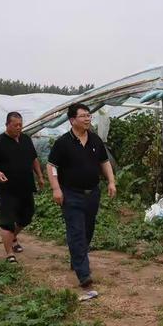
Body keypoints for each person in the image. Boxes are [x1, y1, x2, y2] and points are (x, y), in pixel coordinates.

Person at [47, 103, 116, 287]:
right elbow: (52, 166)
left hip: (92, 193)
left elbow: (104, 162)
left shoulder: (95, 140)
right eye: (83, 116)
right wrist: (56, 188)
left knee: (88, 229)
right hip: (71, 194)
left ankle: (76, 258)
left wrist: (111, 181)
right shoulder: (63, 143)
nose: (87, 119)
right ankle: (83, 274)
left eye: (89, 115)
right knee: (76, 231)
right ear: (72, 120)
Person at [0, 111, 44, 263]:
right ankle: (9, 253)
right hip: (7, 189)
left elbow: (34, 158)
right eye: (15, 125)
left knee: (27, 216)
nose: (19, 128)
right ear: (7, 125)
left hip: (26, 186)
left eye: (20, 125)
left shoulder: (25, 139)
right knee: (8, 221)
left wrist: (40, 176)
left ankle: (13, 237)